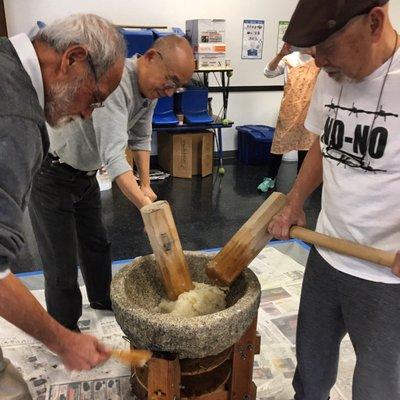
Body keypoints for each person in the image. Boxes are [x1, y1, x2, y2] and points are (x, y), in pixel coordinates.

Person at [268, 1, 400, 399]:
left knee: (377, 388)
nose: (319, 61)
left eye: (327, 47)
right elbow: (324, 145)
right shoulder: (331, 73)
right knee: (310, 373)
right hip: (327, 254)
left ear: (374, 22)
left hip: (384, 274)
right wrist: (294, 201)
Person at [29, 35, 195, 332]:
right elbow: (115, 159)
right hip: (51, 174)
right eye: (169, 81)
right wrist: (148, 210)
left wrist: (145, 185)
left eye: (177, 87)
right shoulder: (116, 83)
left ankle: (103, 299)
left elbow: (141, 138)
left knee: (96, 245)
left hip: (85, 174)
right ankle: (65, 331)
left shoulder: (151, 92)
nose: (170, 92)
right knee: (61, 263)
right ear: (150, 57)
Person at [0, 13, 126, 398]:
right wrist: (63, 340)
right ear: (73, 58)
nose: (89, 113)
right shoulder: (16, 117)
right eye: (95, 97)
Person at [258, 44, 319, 192]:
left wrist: (316, 54)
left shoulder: (319, 62)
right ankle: (270, 179)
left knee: (305, 148)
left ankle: (300, 183)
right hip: (289, 110)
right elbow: (268, 72)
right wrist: (279, 54)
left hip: (308, 111)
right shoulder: (288, 60)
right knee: (278, 145)